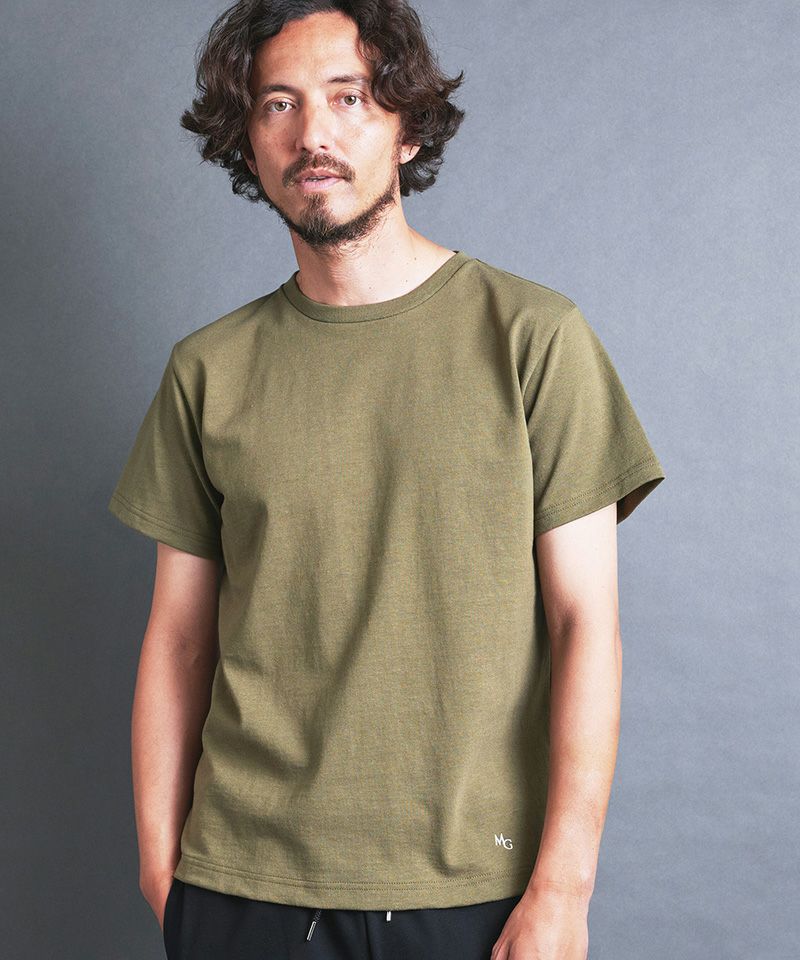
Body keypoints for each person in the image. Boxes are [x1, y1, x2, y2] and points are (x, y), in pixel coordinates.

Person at [107, 1, 666, 958]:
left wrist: (564, 890)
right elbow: (178, 639)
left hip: (477, 892)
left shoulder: (533, 339)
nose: (312, 134)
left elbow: (585, 625)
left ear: (408, 128)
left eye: (349, 97)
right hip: (243, 887)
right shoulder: (208, 369)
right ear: (248, 142)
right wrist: (164, 873)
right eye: (277, 103)